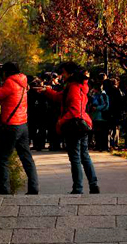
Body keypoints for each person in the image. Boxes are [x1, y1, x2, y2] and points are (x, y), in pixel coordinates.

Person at [36, 61, 100, 195]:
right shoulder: (76, 86)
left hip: (75, 125)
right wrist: (46, 91)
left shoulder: (74, 87)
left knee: (76, 157)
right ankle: (93, 185)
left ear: (70, 73)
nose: (61, 75)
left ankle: (78, 188)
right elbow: (61, 97)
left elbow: (74, 110)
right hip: (82, 124)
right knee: (84, 155)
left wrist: (60, 121)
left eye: (63, 72)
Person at [0, 62, 39, 195]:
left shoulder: (10, 83)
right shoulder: (23, 82)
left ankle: (4, 190)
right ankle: (34, 188)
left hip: (11, 126)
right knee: (26, 157)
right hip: (23, 124)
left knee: (3, 158)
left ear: (7, 71)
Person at [106, 77, 125, 149]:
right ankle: (115, 144)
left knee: (110, 129)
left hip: (110, 111)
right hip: (117, 112)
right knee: (116, 128)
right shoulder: (119, 91)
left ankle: (110, 144)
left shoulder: (108, 91)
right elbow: (122, 102)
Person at [89, 82, 110, 151]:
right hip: (95, 117)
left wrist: (97, 108)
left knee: (103, 133)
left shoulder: (104, 95)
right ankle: (98, 146)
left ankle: (104, 147)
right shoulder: (95, 96)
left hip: (102, 117)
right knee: (96, 132)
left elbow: (106, 106)